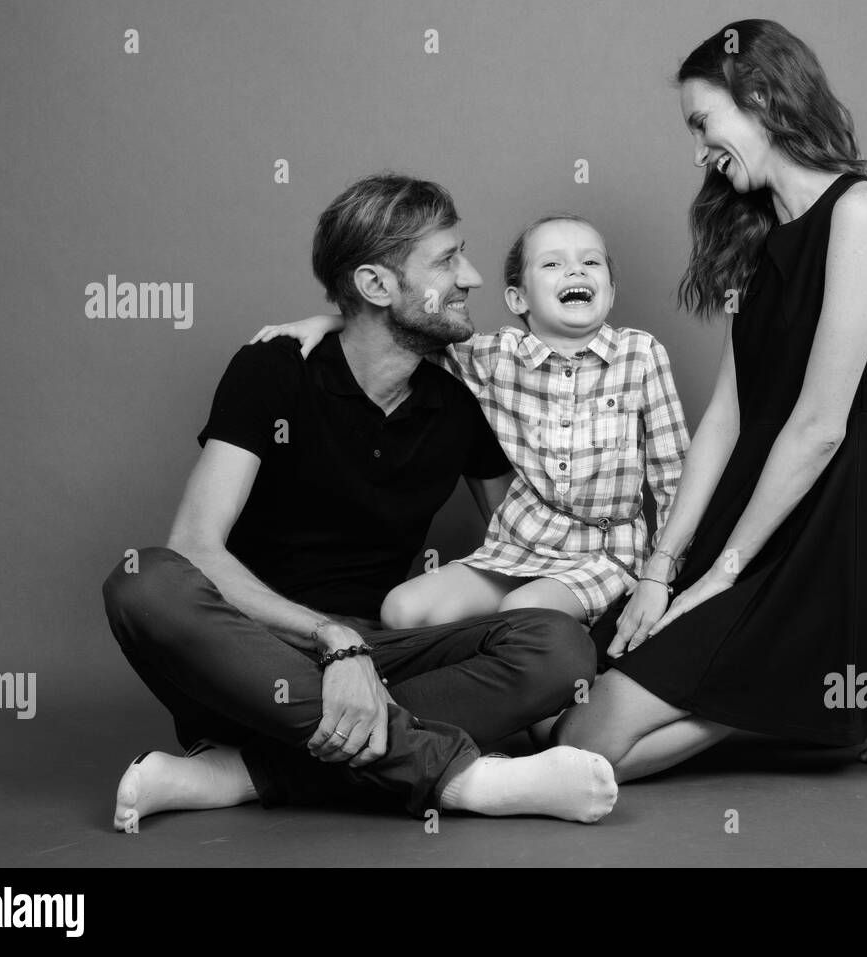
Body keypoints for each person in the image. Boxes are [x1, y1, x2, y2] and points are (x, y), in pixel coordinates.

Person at [101, 173, 619, 829]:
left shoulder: (459, 406)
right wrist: (332, 641)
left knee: (559, 646)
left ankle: (241, 772)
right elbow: (195, 548)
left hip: (384, 661)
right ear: (376, 285)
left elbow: (525, 547)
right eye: (447, 260)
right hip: (250, 659)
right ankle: (462, 778)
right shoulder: (273, 372)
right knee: (142, 579)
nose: (474, 277)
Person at [551, 19, 867, 780]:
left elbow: (818, 427)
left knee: (585, 744)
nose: (698, 148)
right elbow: (727, 419)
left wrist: (720, 576)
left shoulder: (862, 213)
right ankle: (833, 685)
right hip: (752, 502)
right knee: (562, 709)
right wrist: (661, 567)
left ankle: (866, 681)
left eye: (704, 122)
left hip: (834, 513)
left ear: (763, 98)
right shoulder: (754, 232)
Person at [249, 214, 690, 634]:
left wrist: (662, 573)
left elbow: (674, 474)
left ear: (610, 292)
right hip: (518, 548)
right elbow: (403, 330)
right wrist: (333, 321)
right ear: (518, 299)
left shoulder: (641, 354)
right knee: (401, 609)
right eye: (553, 263)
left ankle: (566, 688)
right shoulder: (493, 357)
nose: (576, 272)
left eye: (590, 262)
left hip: (604, 554)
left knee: (522, 613)